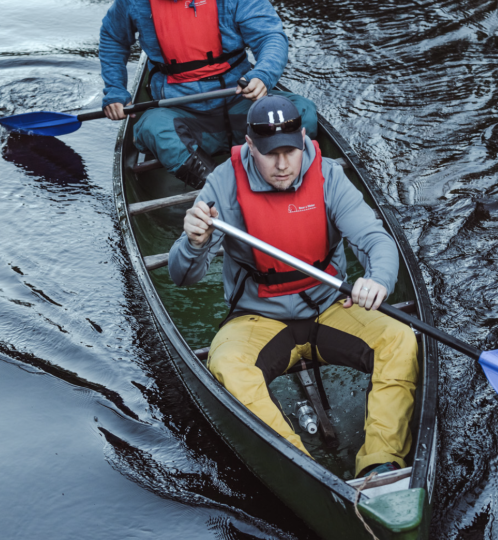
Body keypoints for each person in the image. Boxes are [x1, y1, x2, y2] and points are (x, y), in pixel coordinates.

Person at [168, 95, 418, 478]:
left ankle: (381, 463)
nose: (283, 164)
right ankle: (304, 469)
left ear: (303, 138)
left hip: (330, 308)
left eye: (290, 150)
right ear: (250, 146)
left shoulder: (330, 176)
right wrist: (193, 244)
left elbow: (376, 241)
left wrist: (377, 279)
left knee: (401, 340)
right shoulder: (222, 185)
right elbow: (183, 277)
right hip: (258, 318)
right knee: (227, 364)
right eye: (270, 153)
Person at [99, 0, 318, 189]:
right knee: (152, 129)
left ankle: (281, 178)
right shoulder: (134, 3)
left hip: (242, 105)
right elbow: (113, 38)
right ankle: (221, 188)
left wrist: (262, 75)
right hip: (183, 114)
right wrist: (115, 89)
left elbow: (269, 36)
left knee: (302, 113)